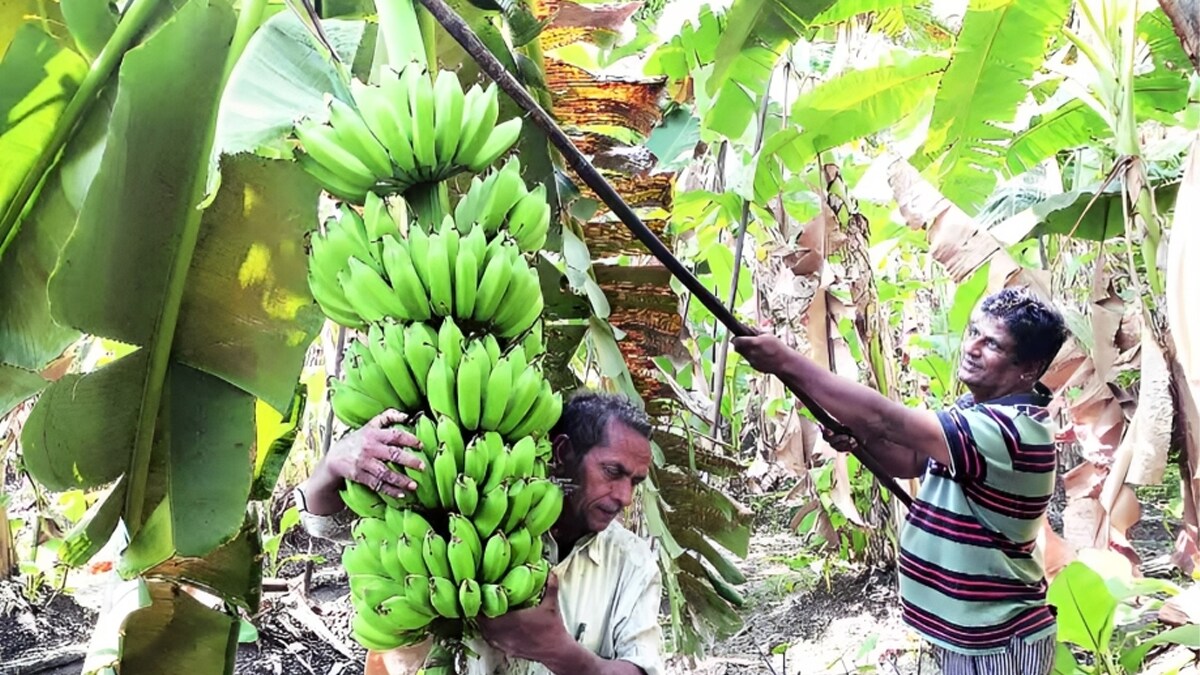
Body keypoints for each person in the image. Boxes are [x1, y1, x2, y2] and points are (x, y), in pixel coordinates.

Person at [732, 286, 1068, 675]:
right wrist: (865, 441)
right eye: (973, 331)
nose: (972, 348)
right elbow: (911, 461)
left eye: (991, 344)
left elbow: (886, 419)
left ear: (1029, 368)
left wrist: (787, 362)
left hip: (996, 643)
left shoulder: (1011, 430)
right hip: (966, 637)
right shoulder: (976, 410)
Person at [293, 390, 664, 675]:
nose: (624, 497)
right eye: (612, 472)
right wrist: (333, 464)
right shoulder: (467, 513)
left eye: (636, 482)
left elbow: (640, 668)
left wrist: (560, 651)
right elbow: (323, 523)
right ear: (562, 451)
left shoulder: (633, 563)